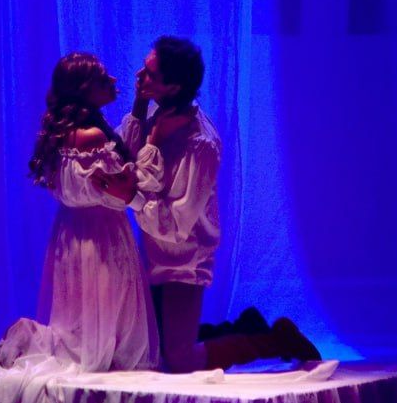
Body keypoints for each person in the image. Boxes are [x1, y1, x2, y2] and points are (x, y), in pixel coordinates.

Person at [94, 36, 321, 373]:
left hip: (184, 257)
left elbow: (178, 225)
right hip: (153, 249)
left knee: (180, 359)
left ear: (174, 87)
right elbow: (127, 158)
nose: (140, 76)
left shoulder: (200, 143)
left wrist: (131, 197)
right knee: (153, 349)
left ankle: (272, 340)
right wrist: (140, 107)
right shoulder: (157, 116)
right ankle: (244, 327)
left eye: (151, 74)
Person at [0, 52, 164, 372]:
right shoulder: (90, 137)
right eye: (102, 78)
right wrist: (137, 192)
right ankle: (27, 339)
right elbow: (117, 191)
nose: (113, 80)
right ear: (84, 89)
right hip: (100, 234)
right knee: (100, 319)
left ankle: (96, 352)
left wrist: (140, 103)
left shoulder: (75, 134)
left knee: (84, 319)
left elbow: (121, 151)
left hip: (75, 233)